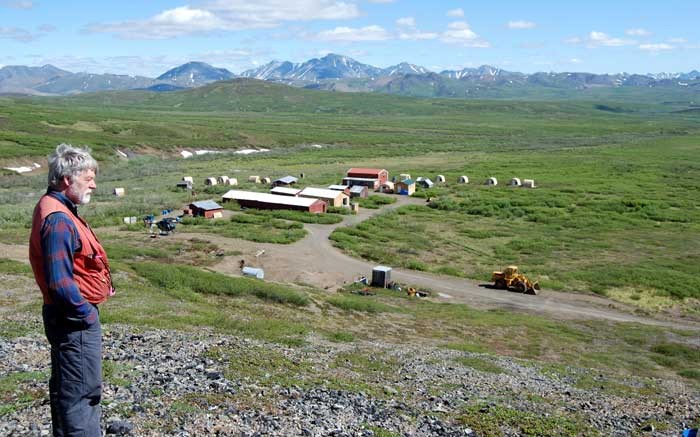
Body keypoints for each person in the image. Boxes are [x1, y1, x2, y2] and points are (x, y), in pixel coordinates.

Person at [29, 143, 114, 436]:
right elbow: (61, 284)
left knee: (68, 390)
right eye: (88, 178)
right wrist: (86, 315)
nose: (94, 184)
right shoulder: (59, 220)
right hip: (73, 321)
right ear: (68, 179)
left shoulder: (56, 208)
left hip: (66, 317)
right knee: (82, 394)